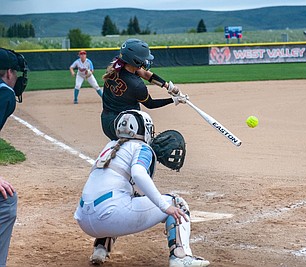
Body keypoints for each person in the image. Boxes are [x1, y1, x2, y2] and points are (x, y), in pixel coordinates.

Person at [74, 110, 210, 267]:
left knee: (121, 196)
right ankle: (180, 257)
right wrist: (165, 206)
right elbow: (138, 174)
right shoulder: (142, 148)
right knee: (176, 203)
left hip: (84, 219)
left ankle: (100, 248)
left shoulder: (109, 146)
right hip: (111, 216)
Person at [101, 38, 188, 140]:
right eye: (143, 59)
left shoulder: (118, 65)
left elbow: (145, 74)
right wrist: (174, 100)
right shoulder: (136, 85)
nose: (145, 61)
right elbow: (150, 104)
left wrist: (168, 86)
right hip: (124, 124)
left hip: (107, 120)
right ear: (135, 60)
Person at [0, 47, 28, 266]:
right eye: (16, 73)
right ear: (9, 72)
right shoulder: (4, 94)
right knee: (6, 202)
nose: (17, 77)